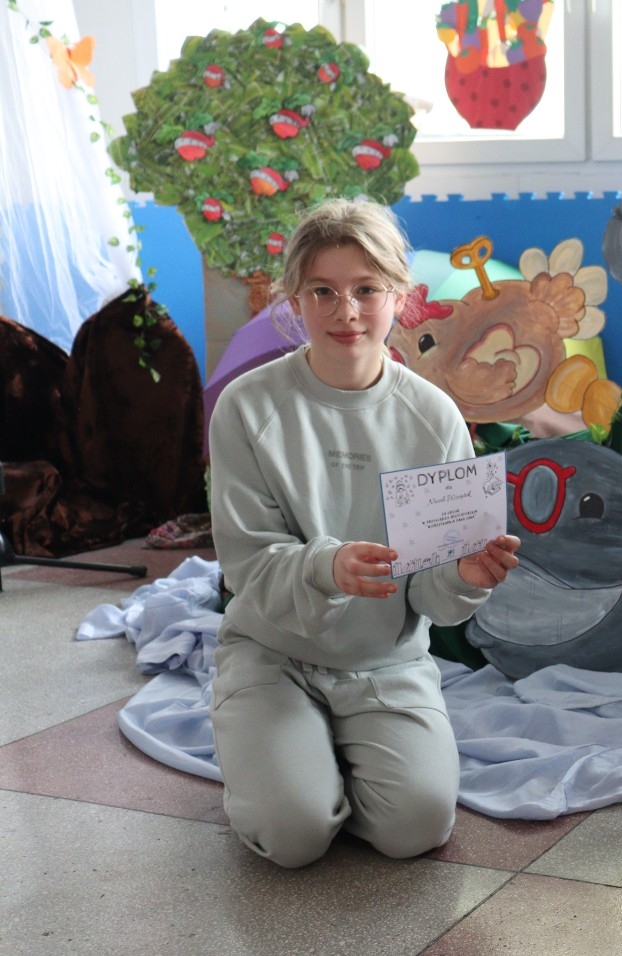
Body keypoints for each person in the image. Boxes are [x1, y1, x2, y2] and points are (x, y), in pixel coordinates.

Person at [208, 199, 521, 868]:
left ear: (400, 298)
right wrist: (329, 567)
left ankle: (316, 763)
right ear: (295, 298)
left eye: (366, 290)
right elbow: (247, 565)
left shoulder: (434, 416)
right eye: (323, 291)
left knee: (418, 826)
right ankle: (282, 763)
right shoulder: (247, 406)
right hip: (273, 653)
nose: (345, 311)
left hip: (385, 662)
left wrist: (463, 576)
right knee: (293, 836)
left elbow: (433, 599)